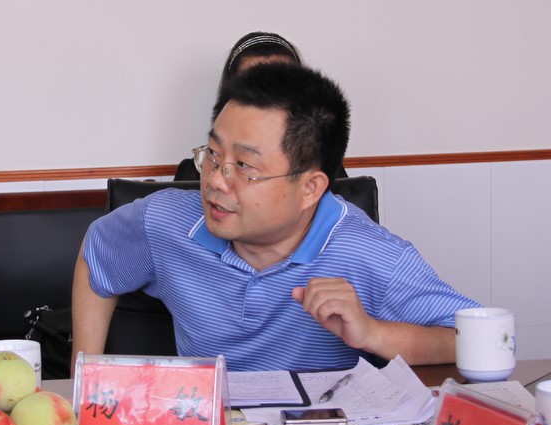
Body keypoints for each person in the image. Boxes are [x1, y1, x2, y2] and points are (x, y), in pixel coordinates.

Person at [72, 63, 481, 373]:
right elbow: (98, 253)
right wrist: (83, 380)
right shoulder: (166, 221)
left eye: (245, 166)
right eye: (213, 154)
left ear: (310, 188)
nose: (215, 180)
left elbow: (476, 340)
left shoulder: (371, 255)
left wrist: (373, 332)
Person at [174, 31, 348, 180]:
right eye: (252, 87)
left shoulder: (323, 169)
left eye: (280, 86)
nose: (267, 100)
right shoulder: (193, 172)